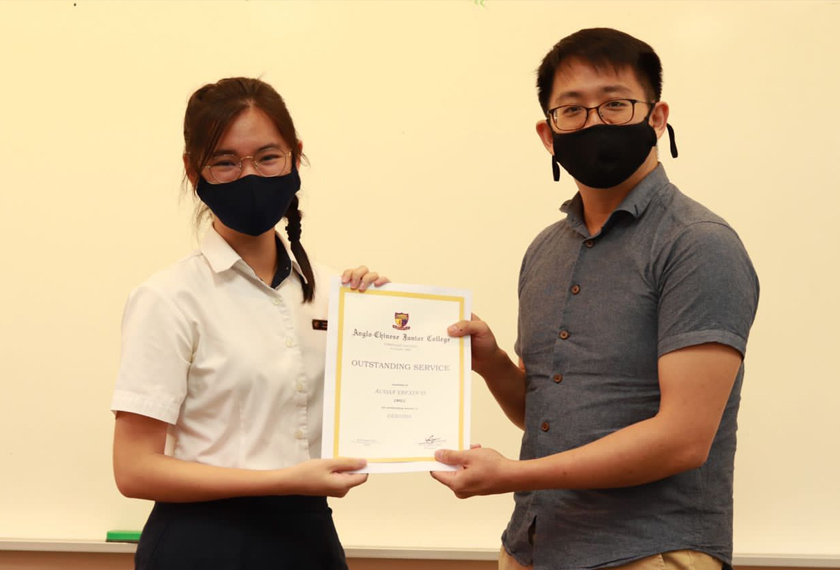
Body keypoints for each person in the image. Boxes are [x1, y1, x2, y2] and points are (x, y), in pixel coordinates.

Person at [432, 28, 759, 570]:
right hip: (533, 547)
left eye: (616, 104)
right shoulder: (545, 250)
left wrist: (511, 474)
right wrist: (490, 365)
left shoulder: (698, 244)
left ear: (656, 117)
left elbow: (683, 440)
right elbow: (545, 416)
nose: (595, 123)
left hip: (647, 552)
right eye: (573, 110)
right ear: (547, 133)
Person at [111, 77, 387, 570]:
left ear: (294, 157)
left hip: (310, 540)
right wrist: (285, 480)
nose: (250, 175)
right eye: (225, 161)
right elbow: (134, 470)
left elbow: (377, 415)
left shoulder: (337, 294)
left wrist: (396, 325)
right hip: (201, 545)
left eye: (267, 157)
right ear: (194, 170)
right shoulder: (169, 298)